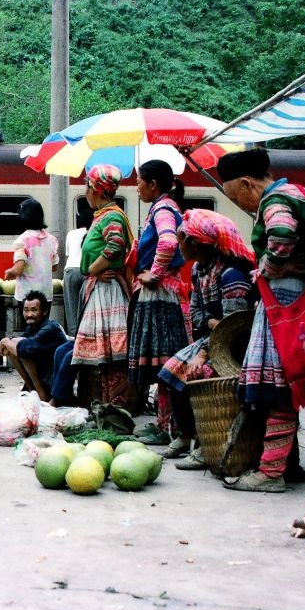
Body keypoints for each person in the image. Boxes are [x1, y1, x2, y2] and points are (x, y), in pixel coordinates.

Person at [217, 148, 305, 492]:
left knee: (281, 390)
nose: (244, 207)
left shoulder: (275, 200)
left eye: (237, 198)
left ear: (248, 184)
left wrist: (270, 266)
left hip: (289, 309)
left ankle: (271, 472)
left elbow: (281, 235)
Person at [152, 209, 255, 465]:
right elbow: (198, 313)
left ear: (195, 242)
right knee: (169, 372)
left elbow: (235, 328)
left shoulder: (231, 275)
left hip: (237, 347)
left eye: (181, 240)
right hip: (214, 337)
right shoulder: (199, 269)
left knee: (196, 377)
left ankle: (204, 443)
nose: (178, 246)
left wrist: (203, 351)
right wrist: (211, 322)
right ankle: (185, 435)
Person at [127, 159, 191, 429]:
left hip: (160, 294)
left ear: (153, 184)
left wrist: (154, 273)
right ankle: (165, 422)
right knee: (164, 362)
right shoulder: (163, 207)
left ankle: (170, 425)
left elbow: (167, 240)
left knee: (165, 361)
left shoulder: (162, 208)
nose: (137, 187)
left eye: (139, 181)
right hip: (162, 293)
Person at [71, 165, 133, 407]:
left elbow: (116, 244)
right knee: (104, 355)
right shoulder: (104, 215)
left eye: (87, 186)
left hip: (108, 292)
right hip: (101, 289)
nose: (85, 191)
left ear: (95, 189)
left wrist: (95, 268)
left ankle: (115, 407)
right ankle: (107, 405)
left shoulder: (112, 216)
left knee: (111, 355)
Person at [0, 290, 67, 400]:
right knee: (15, 347)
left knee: (22, 350)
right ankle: (32, 390)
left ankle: (41, 395)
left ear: (44, 311)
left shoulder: (49, 328)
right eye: (26, 310)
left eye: (34, 310)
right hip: (44, 374)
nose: (29, 314)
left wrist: (6, 342)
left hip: (55, 380)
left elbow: (25, 350)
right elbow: (20, 344)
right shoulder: (32, 327)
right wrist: (9, 344)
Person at [4, 199, 58, 305]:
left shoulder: (22, 240)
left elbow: (19, 269)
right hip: (45, 295)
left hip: (27, 295)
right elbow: (54, 267)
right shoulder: (52, 240)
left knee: (28, 321)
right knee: (44, 321)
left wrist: (11, 271)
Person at [63, 208, 93, 336]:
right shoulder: (94, 232)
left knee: (72, 309)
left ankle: (73, 338)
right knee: (88, 308)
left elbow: (68, 254)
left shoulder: (71, 233)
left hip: (71, 270)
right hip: (88, 271)